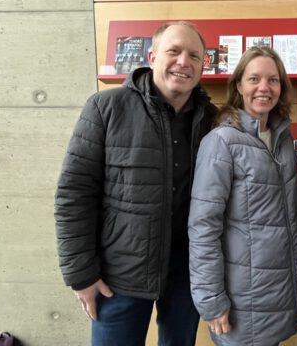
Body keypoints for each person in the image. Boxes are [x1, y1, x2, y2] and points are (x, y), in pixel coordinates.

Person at [54, 21, 217, 346]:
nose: (184, 62)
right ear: (152, 56)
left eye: (194, 55)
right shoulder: (106, 107)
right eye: (174, 51)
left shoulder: (212, 119)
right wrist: (80, 274)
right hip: (119, 275)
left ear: (204, 65)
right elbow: (74, 194)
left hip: (187, 274)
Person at [188, 47, 297, 346]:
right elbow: (203, 228)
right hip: (240, 302)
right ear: (239, 85)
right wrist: (212, 300)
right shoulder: (221, 142)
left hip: (277, 297)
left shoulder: (282, 139)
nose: (264, 87)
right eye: (254, 78)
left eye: (273, 80)